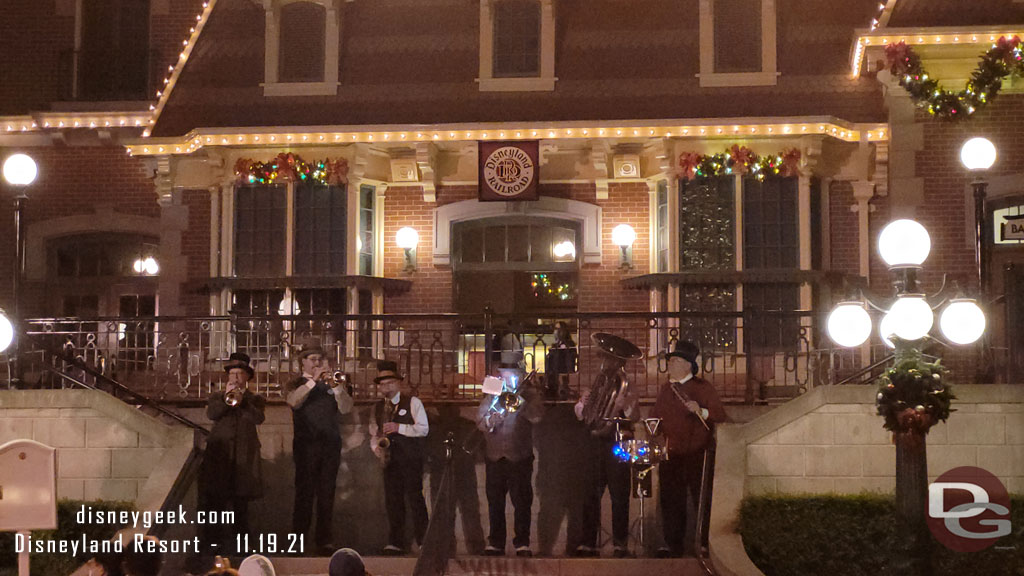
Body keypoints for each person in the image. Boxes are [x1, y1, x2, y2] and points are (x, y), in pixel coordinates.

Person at [652, 340, 728, 557]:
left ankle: (704, 543)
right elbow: (656, 415)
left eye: (675, 360)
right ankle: (673, 544)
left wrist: (700, 410)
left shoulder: (703, 388)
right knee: (671, 500)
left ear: (687, 364)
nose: (670, 364)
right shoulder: (666, 389)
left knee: (701, 499)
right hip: (672, 453)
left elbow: (719, 414)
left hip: (698, 452)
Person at [573, 335, 641, 558]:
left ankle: (620, 543)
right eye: (604, 358)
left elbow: (635, 416)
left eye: (609, 359)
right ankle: (588, 542)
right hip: (595, 443)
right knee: (590, 493)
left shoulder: (626, 385)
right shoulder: (600, 382)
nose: (605, 364)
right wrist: (584, 402)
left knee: (619, 494)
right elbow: (583, 416)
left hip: (618, 441)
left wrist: (626, 405)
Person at [286, 339, 354, 556]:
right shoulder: (296, 383)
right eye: (313, 359)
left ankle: (324, 541)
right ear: (302, 363)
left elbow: (346, 408)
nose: (318, 363)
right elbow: (293, 402)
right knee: (304, 494)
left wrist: (337, 389)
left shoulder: (333, 384)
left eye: (320, 359)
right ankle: (297, 542)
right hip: (306, 446)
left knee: (327, 494)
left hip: (330, 445)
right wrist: (312, 382)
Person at [199, 352, 266, 554]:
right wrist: (227, 398)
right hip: (220, 460)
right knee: (216, 505)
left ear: (247, 377)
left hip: (243, 460)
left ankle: (241, 547)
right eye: (232, 373)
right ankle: (212, 545)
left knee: (241, 508)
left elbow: (258, 418)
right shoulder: (217, 397)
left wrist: (243, 400)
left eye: (239, 374)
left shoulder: (255, 399)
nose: (235, 378)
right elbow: (212, 414)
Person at [476, 362, 544, 557]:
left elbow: (537, 417)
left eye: (511, 375)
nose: (507, 379)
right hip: (495, 455)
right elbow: (480, 420)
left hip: (519, 456)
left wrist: (520, 402)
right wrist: (491, 421)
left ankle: (522, 543)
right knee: (495, 500)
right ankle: (495, 542)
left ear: (520, 376)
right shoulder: (493, 394)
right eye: (503, 375)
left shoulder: (530, 395)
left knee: (522, 501)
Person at [369, 360, 429, 555]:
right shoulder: (377, 407)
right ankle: (395, 541)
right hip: (390, 460)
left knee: (415, 499)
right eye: (381, 383)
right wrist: (376, 447)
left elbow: (423, 429)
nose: (385, 386)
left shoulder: (413, 402)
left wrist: (399, 428)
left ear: (398, 383)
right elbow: (374, 433)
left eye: (389, 382)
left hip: (410, 458)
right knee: (393, 501)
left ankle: (424, 540)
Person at [544, 322, 577, 400]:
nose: (556, 332)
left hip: (563, 370)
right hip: (553, 372)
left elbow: (570, 357)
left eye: (558, 329)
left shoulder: (569, 344)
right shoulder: (555, 345)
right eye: (555, 329)